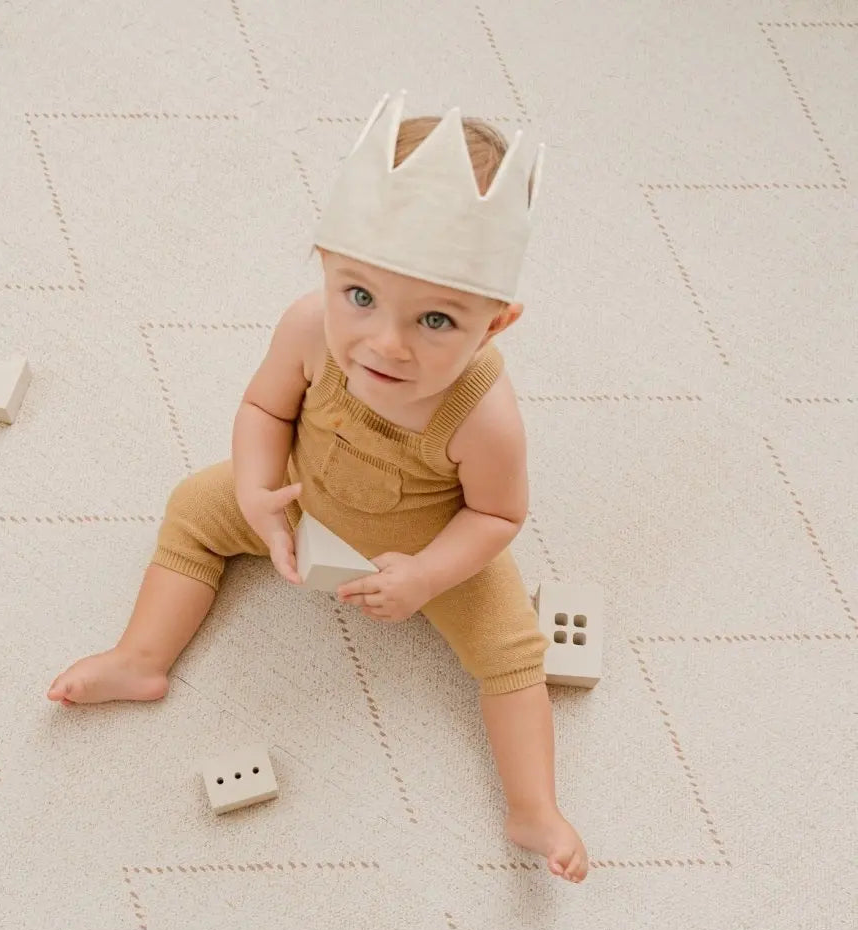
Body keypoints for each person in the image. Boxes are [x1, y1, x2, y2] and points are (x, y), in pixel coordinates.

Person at [48, 91, 589, 883]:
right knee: (193, 510)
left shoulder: (485, 416)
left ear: (493, 324)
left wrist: (427, 575)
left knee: (511, 653)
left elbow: (497, 514)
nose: (384, 343)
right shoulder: (308, 325)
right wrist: (262, 490)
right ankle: (141, 656)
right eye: (359, 296)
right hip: (299, 498)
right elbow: (265, 405)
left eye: (435, 321)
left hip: (424, 545)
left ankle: (532, 807)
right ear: (327, 266)